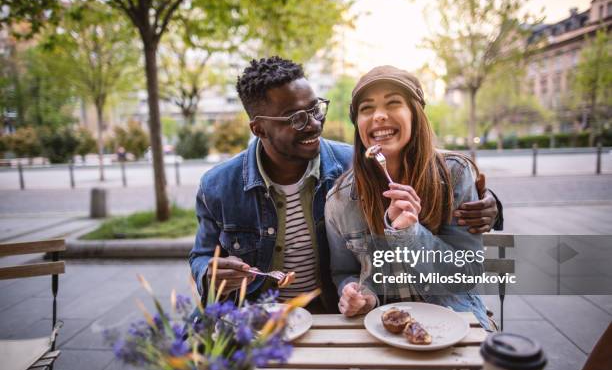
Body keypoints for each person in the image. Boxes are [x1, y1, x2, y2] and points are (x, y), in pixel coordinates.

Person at [189, 57, 501, 313]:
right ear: (259, 128)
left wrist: (490, 207)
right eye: (296, 118)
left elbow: (428, 172)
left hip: (328, 313)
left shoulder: (351, 165)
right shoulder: (219, 186)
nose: (313, 124)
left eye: (315, 109)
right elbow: (202, 255)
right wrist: (210, 273)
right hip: (256, 317)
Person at [325, 65, 493, 328]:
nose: (379, 115)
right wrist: (358, 295)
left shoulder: (455, 174)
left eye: (393, 103)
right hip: (380, 328)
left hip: (453, 321)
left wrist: (411, 234)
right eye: (366, 108)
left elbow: (467, 276)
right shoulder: (339, 199)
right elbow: (343, 272)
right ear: (358, 124)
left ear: (415, 114)